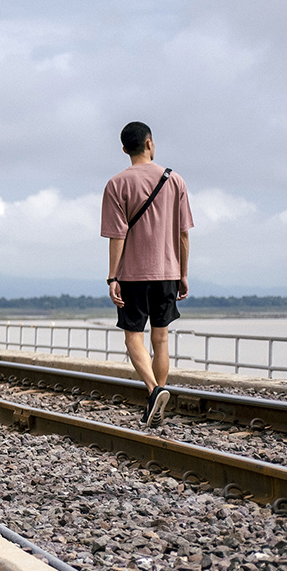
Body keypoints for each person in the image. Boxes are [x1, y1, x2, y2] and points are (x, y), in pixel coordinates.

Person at [101, 121, 194, 428]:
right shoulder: (175, 180)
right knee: (161, 338)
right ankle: (159, 399)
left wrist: (113, 277)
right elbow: (183, 235)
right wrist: (183, 272)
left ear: (125, 149)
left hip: (132, 275)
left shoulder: (116, 184)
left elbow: (117, 236)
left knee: (132, 337)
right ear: (150, 144)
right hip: (168, 270)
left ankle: (154, 392)